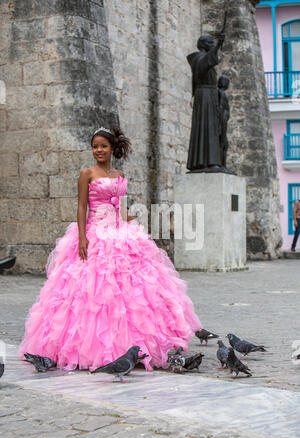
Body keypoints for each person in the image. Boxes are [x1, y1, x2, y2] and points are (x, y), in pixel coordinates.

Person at [19, 127, 202, 371]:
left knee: (134, 290)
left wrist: (134, 224)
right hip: (96, 233)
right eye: (95, 146)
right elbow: (82, 207)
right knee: (95, 289)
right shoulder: (87, 174)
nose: (99, 150)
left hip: (119, 231)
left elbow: (119, 207)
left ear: (112, 148)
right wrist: (83, 238)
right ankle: (94, 348)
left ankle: (136, 345)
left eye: (103, 146)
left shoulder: (119, 173)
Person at [186, 34, 226, 172]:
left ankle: (211, 160)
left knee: (211, 129)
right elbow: (207, 62)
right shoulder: (198, 59)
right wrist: (218, 46)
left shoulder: (117, 174)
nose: (212, 45)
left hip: (208, 95)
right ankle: (208, 160)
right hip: (204, 96)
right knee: (206, 128)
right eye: (210, 43)